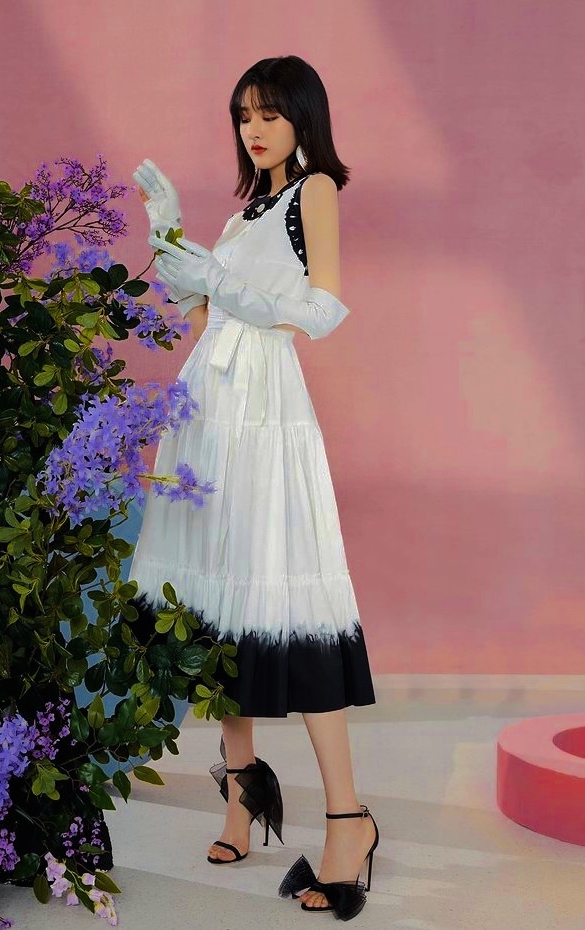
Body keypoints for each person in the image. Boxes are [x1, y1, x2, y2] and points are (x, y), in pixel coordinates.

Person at [130, 55, 379, 919]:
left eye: (270, 112)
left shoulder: (316, 191)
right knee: (212, 598)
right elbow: (204, 319)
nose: (255, 128)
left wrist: (223, 279)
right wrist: (172, 243)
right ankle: (241, 790)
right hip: (208, 408)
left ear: (303, 115)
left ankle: (348, 819)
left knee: (285, 595)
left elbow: (323, 310)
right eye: (244, 114)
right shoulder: (245, 214)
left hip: (266, 412)